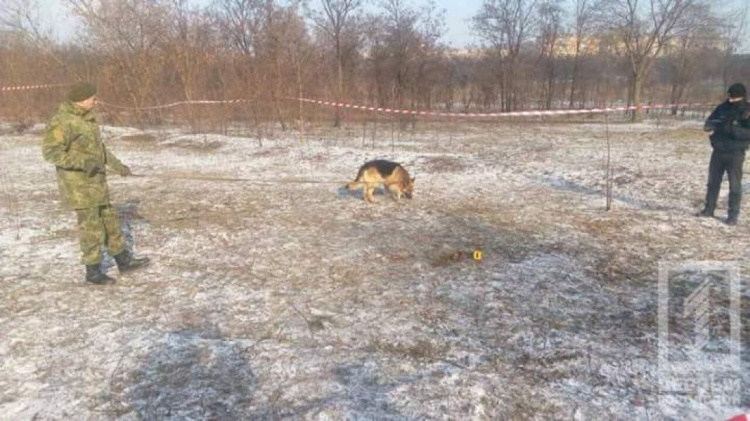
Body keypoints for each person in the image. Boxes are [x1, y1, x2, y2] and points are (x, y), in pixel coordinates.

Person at [42, 82, 150, 284]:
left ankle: (123, 261)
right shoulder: (62, 121)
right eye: (92, 97)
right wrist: (83, 162)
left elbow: (100, 150)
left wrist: (119, 166)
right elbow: (51, 153)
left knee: (110, 221)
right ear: (82, 100)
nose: (95, 100)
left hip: (97, 184)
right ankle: (92, 272)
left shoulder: (87, 120)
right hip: (79, 187)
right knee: (91, 228)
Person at [698, 83, 750, 225]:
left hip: (735, 152)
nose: (731, 99)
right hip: (718, 150)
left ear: (741, 96)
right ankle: (709, 209)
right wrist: (710, 125)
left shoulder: (746, 111)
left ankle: (732, 215)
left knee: (734, 185)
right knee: (713, 182)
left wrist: (734, 131)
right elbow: (711, 120)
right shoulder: (722, 107)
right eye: (729, 95)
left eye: (733, 96)